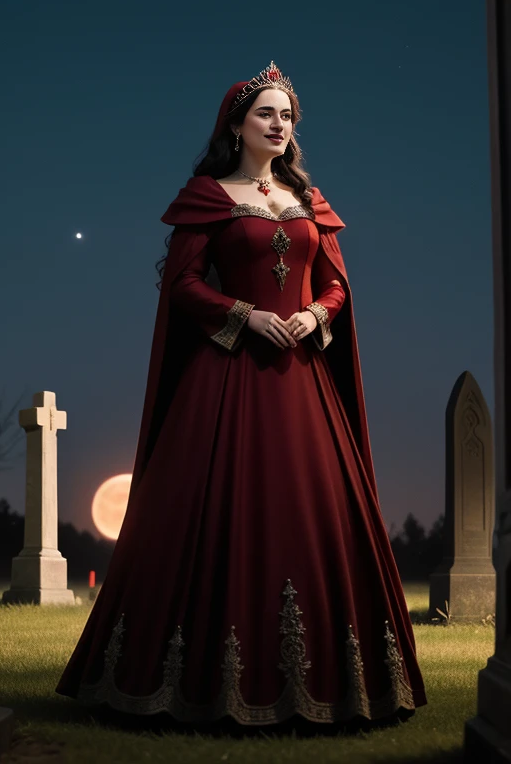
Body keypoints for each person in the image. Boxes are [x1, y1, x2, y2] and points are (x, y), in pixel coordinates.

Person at [56, 61, 427, 733]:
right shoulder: (208, 197)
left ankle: (334, 686)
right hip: (225, 381)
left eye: (288, 116)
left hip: (303, 385)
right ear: (236, 124)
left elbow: (337, 285)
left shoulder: (310, 202)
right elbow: (184, 284)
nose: (280, 125)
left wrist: (316, 316)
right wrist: (245, 316)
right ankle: (184, 684)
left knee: (312, 510)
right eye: (267, 114)